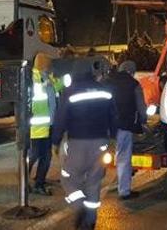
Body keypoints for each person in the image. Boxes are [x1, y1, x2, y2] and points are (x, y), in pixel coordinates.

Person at [52, 58, 116, 230]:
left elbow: (61, 118)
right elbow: (113, 116)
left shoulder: (70, 91)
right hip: (101, 143)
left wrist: (55, 141)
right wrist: (113, 140)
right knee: (94, 182)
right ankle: (89, 222)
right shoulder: (104, 90)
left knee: (68, 178)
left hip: (78, 143)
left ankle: (79, 205)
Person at [106, 60, 147, 200]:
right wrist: (143, 120)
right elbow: (141, 107)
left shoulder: (109, 82)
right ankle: (124, 191)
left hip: (107, 126)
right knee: (123, 157)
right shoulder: (134, 85)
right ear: (131, 71)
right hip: (125, 125)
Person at [29, 54, 64, 196]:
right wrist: (46, 85)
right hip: (37, 128)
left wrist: (64, 80)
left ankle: (39, 181)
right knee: (36, 155)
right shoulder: (35, 78)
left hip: (47, 125)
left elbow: (55, 87)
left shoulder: (46, 77)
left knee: (45, 156)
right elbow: (36, 96)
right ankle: (28, 182)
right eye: (48, 64)